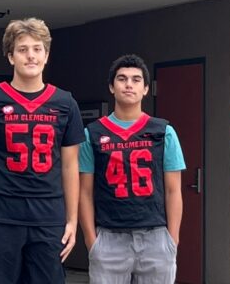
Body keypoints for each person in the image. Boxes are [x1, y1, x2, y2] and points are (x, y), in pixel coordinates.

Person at [0, 17, 85, 284]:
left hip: (48, 215)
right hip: (0, 215)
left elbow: (70, 165)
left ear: (46, 55)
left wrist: (72, 220)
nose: (31, 55)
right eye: (22, 49)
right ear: (11, 57)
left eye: (37, 49)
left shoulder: (65, 103)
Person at [79, 54, 185, 284]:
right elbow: (84, 192)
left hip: (155, 235)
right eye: (122, 79)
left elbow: (173, 190)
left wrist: (172, 239)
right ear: (111, 87)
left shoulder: (164, 132)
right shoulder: (93, 133)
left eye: (136, 80)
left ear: (146, 88)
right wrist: (91, 240)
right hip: (109, 236)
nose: (129, 84)